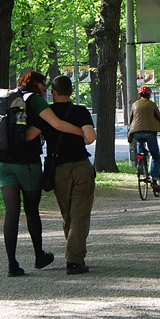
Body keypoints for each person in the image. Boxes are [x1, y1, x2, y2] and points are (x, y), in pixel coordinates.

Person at [0, 70, 85, 277]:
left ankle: (12, 264)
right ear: (37, 84)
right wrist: (82, 133)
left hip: (2, 162)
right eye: (44, 84)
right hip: (26, 163)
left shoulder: (7, 98)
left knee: (11, 212)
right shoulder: (34, 100)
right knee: (32, 210)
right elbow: (57, 124)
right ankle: (38, 255)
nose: (46, 89)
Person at [42, 75, 98, 275]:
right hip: (81, 167)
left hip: (58, 169)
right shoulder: (80, 111)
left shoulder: (46, 113)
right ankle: (74, 260)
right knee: (80, 214)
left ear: (53, 92)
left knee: (68, 215)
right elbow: (90, 137)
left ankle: (74, 254)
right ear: (71, 92)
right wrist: (80, 134)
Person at [127, 86, 160, 194]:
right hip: (150, 132)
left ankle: (140, 163)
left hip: (136, 132)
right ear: (149, 95)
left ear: (139, 95)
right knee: (155, 156)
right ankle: (154, 180)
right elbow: (159, 118)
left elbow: (131, 119)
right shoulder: (152, 104)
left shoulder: (134, 105)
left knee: (140, 143)